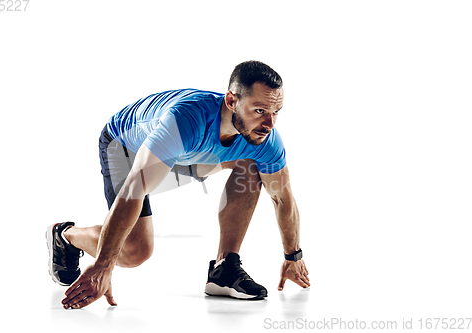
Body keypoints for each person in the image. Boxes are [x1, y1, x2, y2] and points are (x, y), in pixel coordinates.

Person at [46, 60, 310, 309]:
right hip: (126, 146)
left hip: (189, 153)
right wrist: (103, 265)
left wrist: (293, 258)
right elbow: (133, 190)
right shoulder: (185, 121)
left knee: (254, 163)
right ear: (231, 101)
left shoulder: (265, 138)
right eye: (259, 111)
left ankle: (224, 268)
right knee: (135, 252)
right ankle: (66, 236)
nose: (269, 124)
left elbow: (282, 198)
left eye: (276, 112)